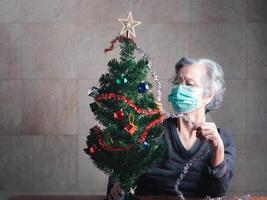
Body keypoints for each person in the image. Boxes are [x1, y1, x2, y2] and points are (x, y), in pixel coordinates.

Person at [107, 57, 236, 199]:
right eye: (177, 82)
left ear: (208, 95)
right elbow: (120, 174)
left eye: (189, 84)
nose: (180, 88)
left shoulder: (222, 140)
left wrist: (218, 148)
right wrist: (117, 185)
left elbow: (217, 192)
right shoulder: (152, 131)